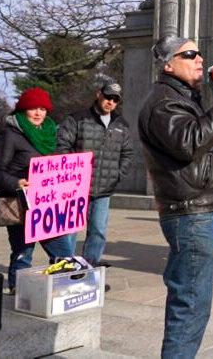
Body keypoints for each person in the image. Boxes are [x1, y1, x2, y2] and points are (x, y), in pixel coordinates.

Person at [138, 36, 213, 358]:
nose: (200, 58)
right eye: (190, 54)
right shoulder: (163, 102)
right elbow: (187, 140)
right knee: (190, 308)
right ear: (168, 64)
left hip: (198, 211)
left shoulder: (183, 98)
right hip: (192, 213)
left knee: (193, 305)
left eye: (199, 53)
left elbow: (193, 147)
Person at [0, 87, 74, 293]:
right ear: (23, 110)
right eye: (33, 108)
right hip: (18, 204)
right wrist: (17, 183)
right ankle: (19, 292)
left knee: (63, 251)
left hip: (46, 205)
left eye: (43, 109)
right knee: (23, 252)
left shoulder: (50, 133)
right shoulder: (7, 135)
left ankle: (66, 287)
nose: (38, 113)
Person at [55, 80, 134, 284]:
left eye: (115, 99)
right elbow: (62, 145)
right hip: (76, 188)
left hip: (104, 188)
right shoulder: (77, 119)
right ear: (99, 94)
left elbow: (127, 153)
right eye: (108, 96)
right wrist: (73, 172)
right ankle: (66, 272)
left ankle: (89, 271)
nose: (111, 102)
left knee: (98, 231)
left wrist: (117, 174)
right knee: (70, 232)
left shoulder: (121, 124)